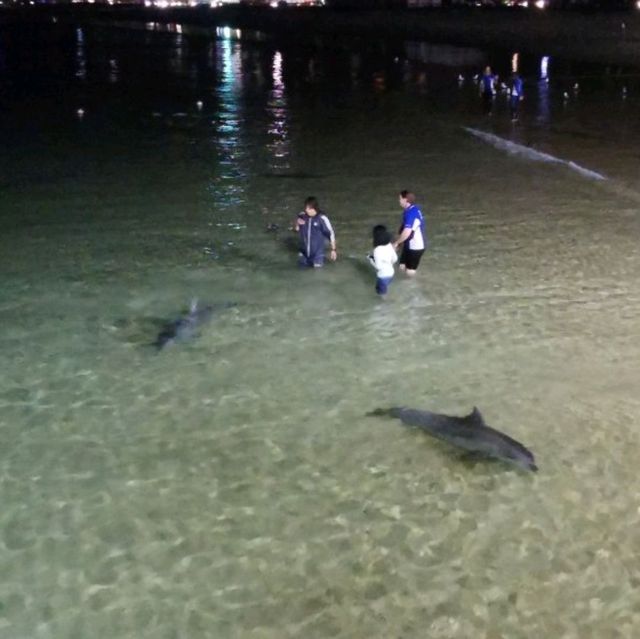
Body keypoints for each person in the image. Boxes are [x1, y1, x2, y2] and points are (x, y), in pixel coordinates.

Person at [294, 196, 337, 267]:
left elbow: (331, 234)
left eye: (309, 208)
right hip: (303, 254)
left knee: (317, 275)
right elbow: (296, 229)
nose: (306, 210)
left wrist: (333, 250)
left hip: (317, 255)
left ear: (315, 208)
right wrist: (297, 223)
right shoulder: (302, 215)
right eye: (306, 207)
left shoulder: (322, 218)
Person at [392, 190, 426, 276]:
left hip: (416, 247)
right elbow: (404, 228)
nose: (399, 201)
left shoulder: (411, 213)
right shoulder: (410, 209)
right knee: (401, 266)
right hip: (408, 244)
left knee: (409, 272)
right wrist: (400, 243)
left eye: (400, 198)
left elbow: (407, 232)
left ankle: (412, 287)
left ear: (405, 200)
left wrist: (396, 243)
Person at [367, 225, 397, 297]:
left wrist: (371, 259)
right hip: (391, 273)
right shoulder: (389, 245)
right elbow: (395, 259)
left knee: (381, 294)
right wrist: (388, 263)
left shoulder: (377, 250)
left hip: (383, 276)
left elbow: (378, 267)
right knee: (383, 288)